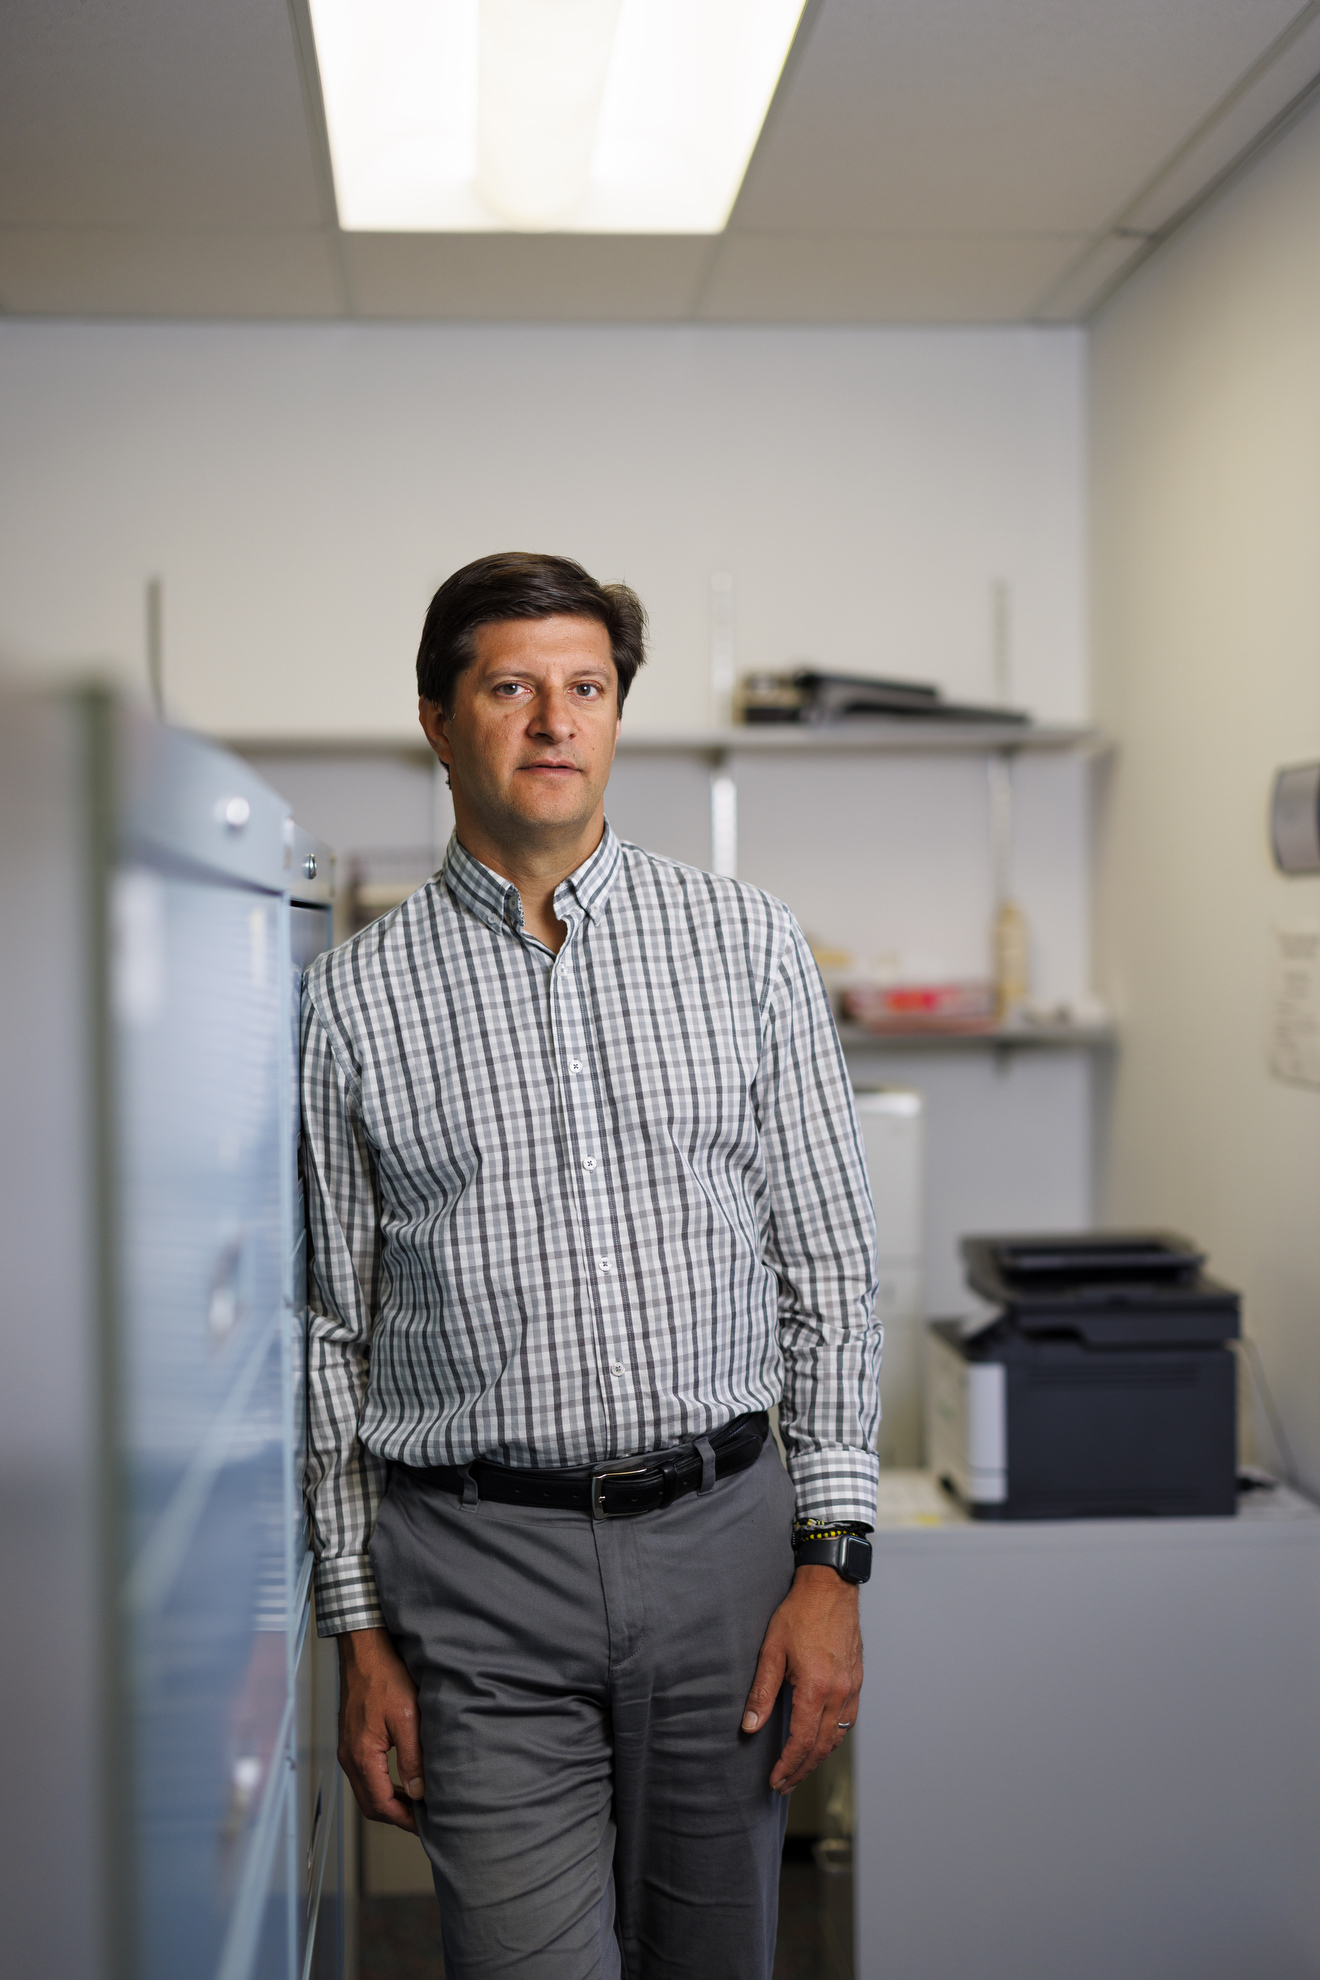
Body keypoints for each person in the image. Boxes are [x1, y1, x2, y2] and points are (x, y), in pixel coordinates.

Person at [301, 551, 881, 1980]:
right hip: (476, 1575)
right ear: (440, 722)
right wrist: (357, 1631)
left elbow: (832, 1272)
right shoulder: (349, 1003)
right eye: (513, 689)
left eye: (588, 688)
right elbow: (330, 1333)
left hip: (724, 1556)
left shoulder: (748, 948)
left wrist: (833, 1566)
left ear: (618, 712)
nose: (556, 722)